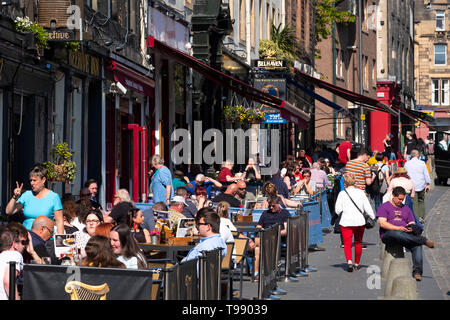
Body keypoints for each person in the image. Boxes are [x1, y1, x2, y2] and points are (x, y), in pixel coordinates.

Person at [376, 186, 435, 281]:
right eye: (399, 199)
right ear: (393, 196)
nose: (401, 201)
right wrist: (398, 228)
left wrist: (410, 228)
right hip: (389, 234)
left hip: (405, 235)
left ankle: (417, 272)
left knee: (417, 245)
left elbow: (412, 222)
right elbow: (382, 223)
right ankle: (423, 240)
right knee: (396, 233)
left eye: (402, 199)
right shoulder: (384, 206)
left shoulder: (406, 208)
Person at [5, 165, 64, 234]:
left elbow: (59, 221)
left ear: (43, 180)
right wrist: (14, 197)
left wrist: (60, 241)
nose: (32, 183)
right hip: (27, 237)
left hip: (45, 239)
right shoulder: (27, 195)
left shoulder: (54, 197)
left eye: (35, 180)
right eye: (31, 180)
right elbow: (8, 211)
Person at [334, 173, 375, 272]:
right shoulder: (361, 193)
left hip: (346, 221)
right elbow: (367, 207)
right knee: (358, 242)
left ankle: (349, 261)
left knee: (347, 244)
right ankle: (357, 263)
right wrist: (372, 217)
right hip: (359, 221)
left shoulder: (342, 194)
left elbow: (338, 210)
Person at [253, 196, 290, 281]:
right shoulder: (265, 213)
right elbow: (259, 226)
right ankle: (256, 273)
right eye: (269, 206)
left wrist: (274, 233)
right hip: (265, 235)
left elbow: (286, 230)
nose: (271, 208)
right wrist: (261, 230)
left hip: (277, 236)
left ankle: (270, 269)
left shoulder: (284, 213)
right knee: (257, 242)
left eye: (273, 206)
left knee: (266, 241)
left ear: (278, 204)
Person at [404, 149, 431, 223]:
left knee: (414, 202)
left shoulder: (407, 164)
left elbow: (405, 175)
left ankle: (416, 217)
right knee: (421, 201)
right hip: (421, 184)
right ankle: (421, 216)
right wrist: (428, 184)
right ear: (418, 155)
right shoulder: (422, 163)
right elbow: (426, 174)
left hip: (412, 185)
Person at [0, 228, 23, 300]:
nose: (23, 246)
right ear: (14, 244)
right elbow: (8, 280)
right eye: (22, 242)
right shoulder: (14, 254)